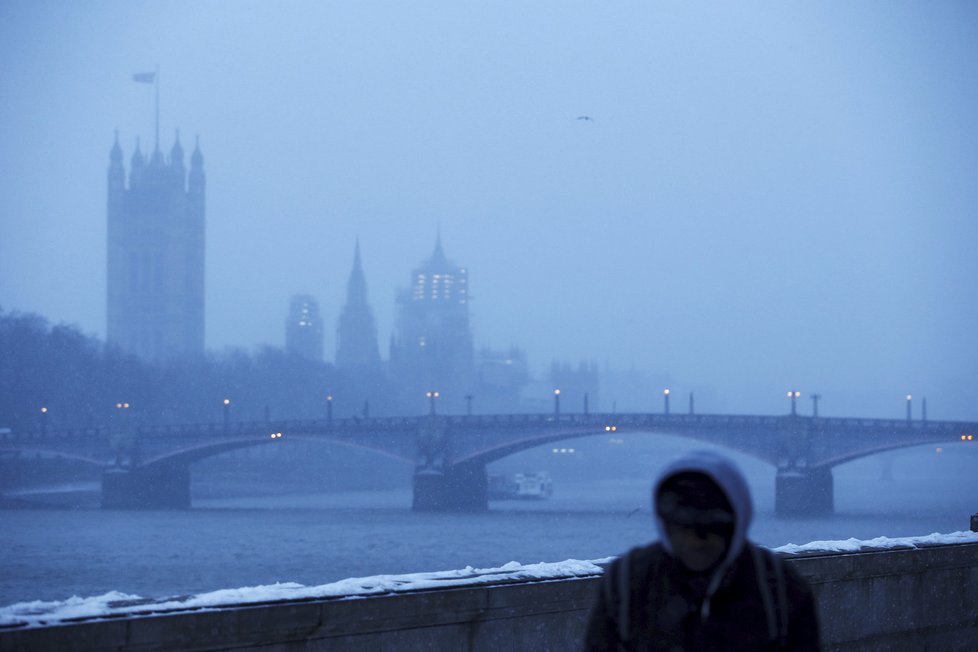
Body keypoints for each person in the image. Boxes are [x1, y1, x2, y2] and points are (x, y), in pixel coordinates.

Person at [583, 451, 820, 651]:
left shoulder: (626, 582)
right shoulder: (777, 587)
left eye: (710, 528)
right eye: (683, 527)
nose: (694, 541)